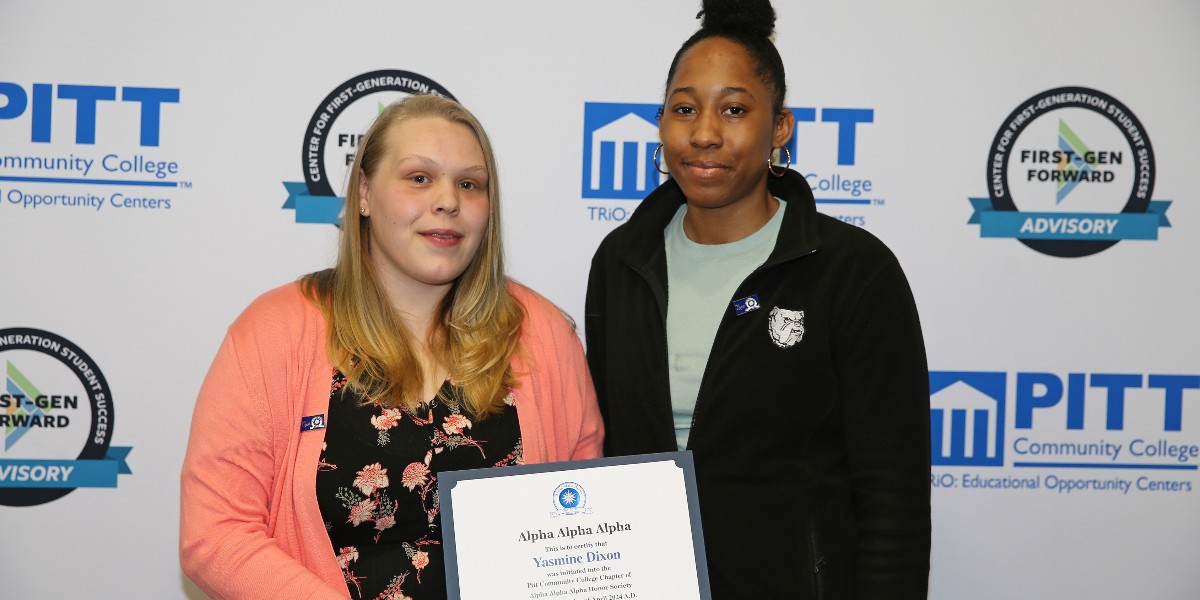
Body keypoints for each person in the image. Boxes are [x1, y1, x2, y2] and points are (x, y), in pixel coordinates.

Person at [181, 94, 603, 600]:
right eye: (419, 178)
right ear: (364, 192)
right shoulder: (273, 333)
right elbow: (216, 534)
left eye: (469, 184)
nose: (447, 201)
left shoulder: (544, 335)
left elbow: (585, 523)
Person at [584, 1, 931, 598]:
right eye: (684, 109)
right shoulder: (622, 261)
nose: (704, 133)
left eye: (735, 110)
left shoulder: (851, 270)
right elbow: (604, 450)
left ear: (780, 128)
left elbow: (892, 495)